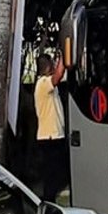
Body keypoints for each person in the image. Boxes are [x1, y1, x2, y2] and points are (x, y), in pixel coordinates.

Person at [31, 50, 70, 204]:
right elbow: (59, 74)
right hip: (50, 136)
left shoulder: (49, 86)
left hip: (55, 135)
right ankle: (48, 202)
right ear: (47, 67)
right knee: (52, 173)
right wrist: (64, 54)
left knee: (56, 172)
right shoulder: (43, 84)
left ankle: (51, 199)